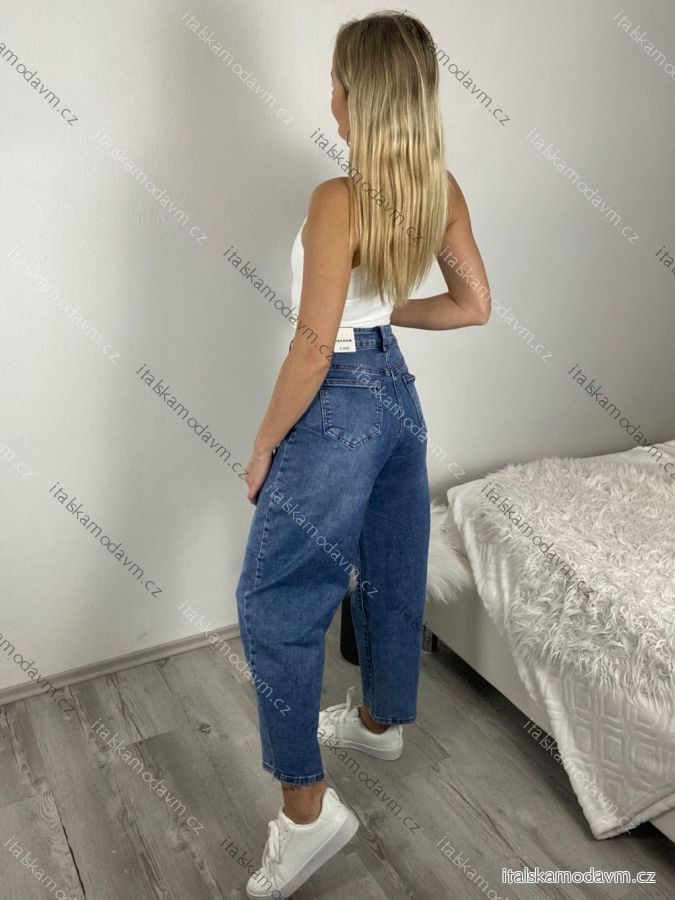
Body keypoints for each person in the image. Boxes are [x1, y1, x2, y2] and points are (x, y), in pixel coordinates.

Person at [235, 11, 490, 898]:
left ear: (361, 97)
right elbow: (473, 304)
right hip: (396, 399)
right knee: (390, 568)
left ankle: (306, 816)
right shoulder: (438, 189)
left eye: (337, 80)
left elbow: (313, 348)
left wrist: (264, 445)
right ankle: (379, 723)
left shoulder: (336, 199)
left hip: (338, 399)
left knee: (274, 600)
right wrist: (385, 316)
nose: (330, 95)